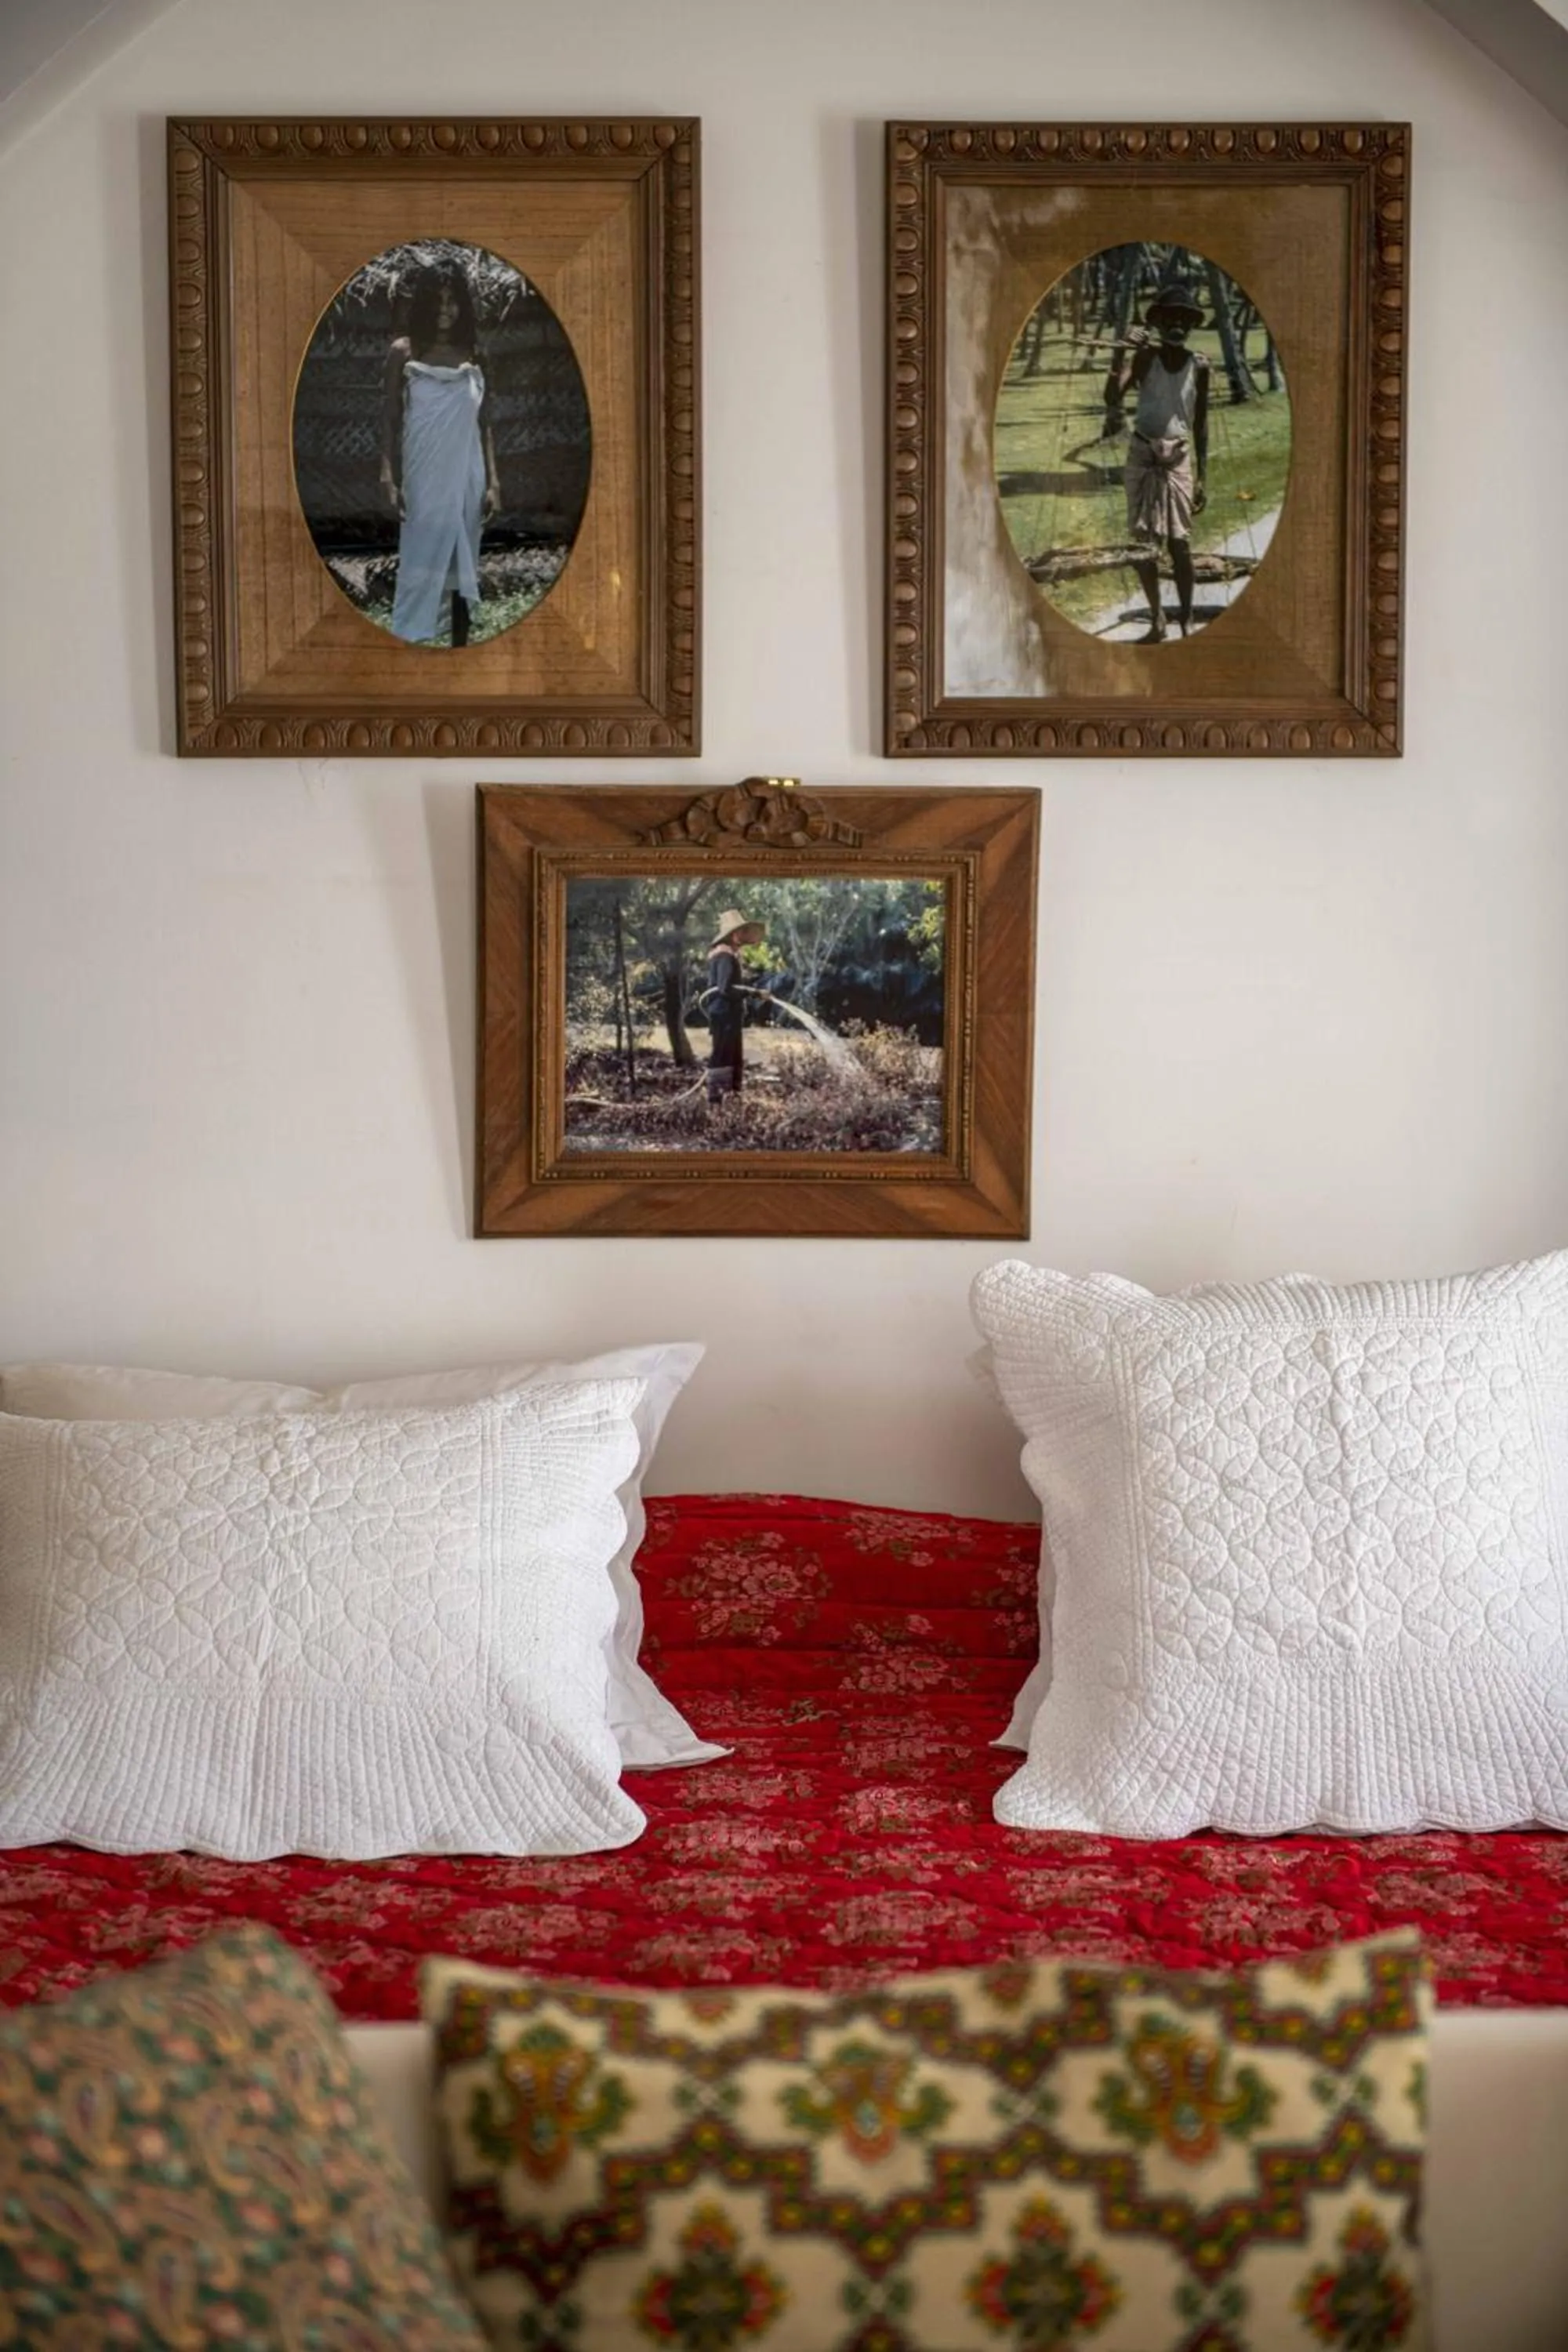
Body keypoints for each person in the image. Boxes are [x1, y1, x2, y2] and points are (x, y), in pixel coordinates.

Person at [379, 263, 501, 647]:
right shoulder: (404, 352)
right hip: (423, 473)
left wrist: (494, 482)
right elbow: (389, 419)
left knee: (463, 554)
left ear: (463, 305)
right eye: (437, 301)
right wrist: (387, 475)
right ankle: (409, 642)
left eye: (452, 301)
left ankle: (459, 648)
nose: (444, 310)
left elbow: (485, 423)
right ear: (424, 305)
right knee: (421, 553)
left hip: (467, 473)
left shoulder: (475, 354)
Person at [1105, 276, 1210, 642]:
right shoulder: (1145, 357)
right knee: (1143, 544)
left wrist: (1202, 478)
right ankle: (1157, 620)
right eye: (1169, 320)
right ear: (1158, 324)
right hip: (1141, 454)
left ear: (1193, 325)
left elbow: (1201, 424)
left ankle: (1185, 620)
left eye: (1184, 320)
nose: (1176, 326)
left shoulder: (1199, 365)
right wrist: (1122, 352)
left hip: (1178, 458)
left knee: (1179, 544)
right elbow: (1112, 399)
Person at [703, 911, 764, 1109]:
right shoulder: (724, 955)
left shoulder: (726, 954)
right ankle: (717, 1103)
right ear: (733, 933)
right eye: (741, 931)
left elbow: (728, 986)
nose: (744, 934)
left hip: (726, 1013)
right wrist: (754, 992)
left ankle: (728, 1102)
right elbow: (725, 988)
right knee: (723, 1056)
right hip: (724, 1014)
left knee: (729, 1055)